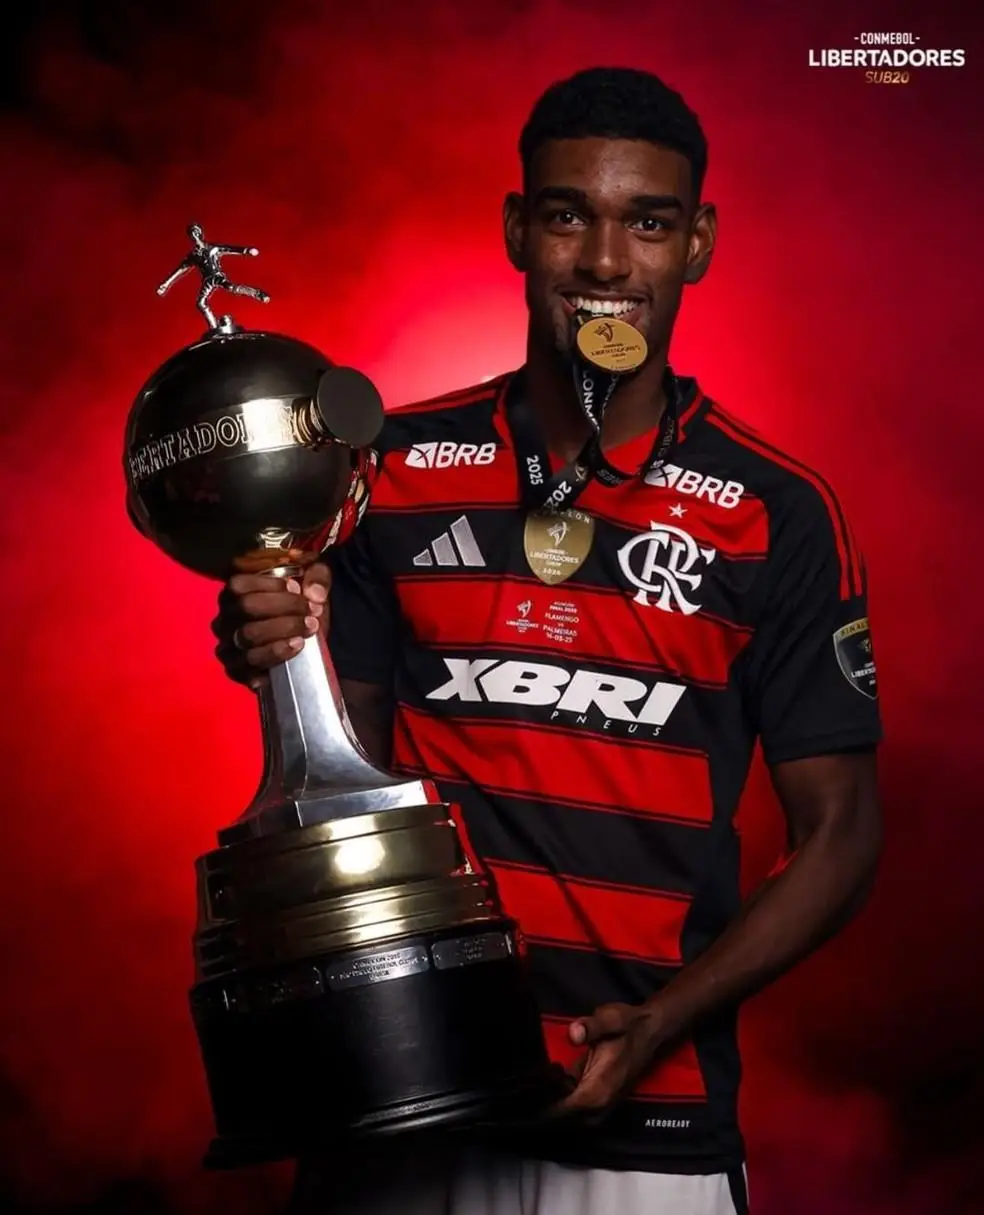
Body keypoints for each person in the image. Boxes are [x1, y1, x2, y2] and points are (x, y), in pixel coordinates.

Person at [213, 66, 883, 1215]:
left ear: (701, 244)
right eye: (570, 214)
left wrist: (664, 1020)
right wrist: (280, 652)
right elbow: (350, 783)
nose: (608, 265)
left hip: (653, 1133)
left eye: (651, 223)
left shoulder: (777, 510)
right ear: (520, 230)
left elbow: (843, 833)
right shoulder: (390, 473)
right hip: (404, 1106)